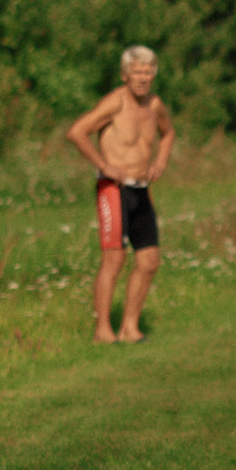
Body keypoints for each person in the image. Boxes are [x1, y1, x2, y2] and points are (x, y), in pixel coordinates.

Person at [66, 45, 175, 344]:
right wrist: (103, 165)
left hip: (142, 190)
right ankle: (103, 330)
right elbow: (77, 131)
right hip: (113, 190)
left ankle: (130, 327)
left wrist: (160, 162)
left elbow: (168, 133)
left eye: (148, 72)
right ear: (125, 75)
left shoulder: (154, 105)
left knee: (149, 261)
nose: (143, 77)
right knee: (113, 260)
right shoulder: (115, 102)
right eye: (137, 72)